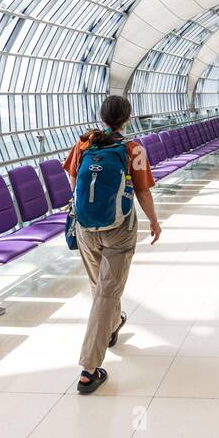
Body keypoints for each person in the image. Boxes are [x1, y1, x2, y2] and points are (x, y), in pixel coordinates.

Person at [62, 95, 162, 395]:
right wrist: (155, 222)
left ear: (102, 116)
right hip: (120, 228)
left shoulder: (84, 144)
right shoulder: (134, 149)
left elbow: (72, 179)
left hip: (85, 226)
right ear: (128, 118)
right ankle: (89, 369)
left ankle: (113, 322)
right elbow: (143, 192)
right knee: (107, 291)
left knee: (101, 287)